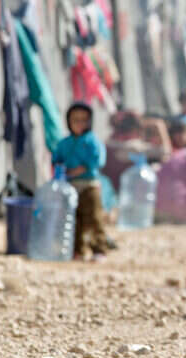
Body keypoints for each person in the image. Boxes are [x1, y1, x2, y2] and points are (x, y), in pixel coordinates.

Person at [52, 102, 108, 262]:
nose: (79, 124)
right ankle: (78, 250)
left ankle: (99, 249)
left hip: (89, 185)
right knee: (74, 219)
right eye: (75, 120)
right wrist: (60, 170)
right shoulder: (65, 143)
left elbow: (98, 159)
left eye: (83, 120)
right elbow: (57, 159)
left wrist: (80, 169)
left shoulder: (91, 141)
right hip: (70, 187)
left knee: (94, 218)